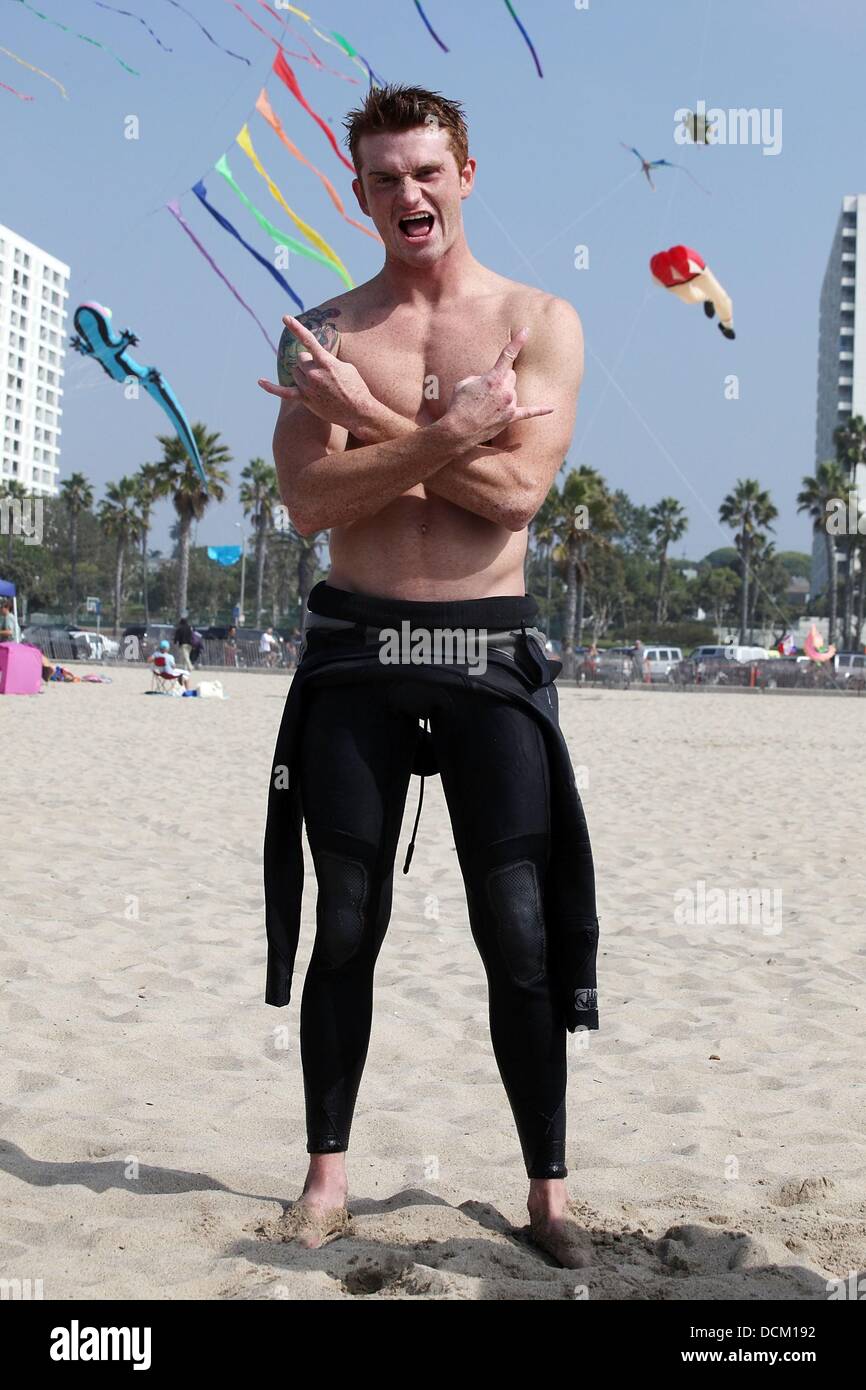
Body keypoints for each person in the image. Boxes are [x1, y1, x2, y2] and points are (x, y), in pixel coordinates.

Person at [257, 86, 598, 1266]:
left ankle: (546, 1193)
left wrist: (369, 422)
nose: (406, 193)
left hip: (483, 649)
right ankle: (325, 1178)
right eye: (382, 177)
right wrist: (448, 430)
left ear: (464, 174)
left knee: (519, 927)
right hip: (356, 648)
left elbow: (515, 497)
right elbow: (309, 504)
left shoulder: (538, 319)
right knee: (345, 921)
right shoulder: (320, 335)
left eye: (424, 171)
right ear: (357, 193)